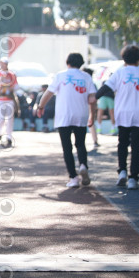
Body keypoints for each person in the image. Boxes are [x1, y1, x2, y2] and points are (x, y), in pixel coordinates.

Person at [96, 45, 139, 190]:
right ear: (138, 59)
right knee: (137, 147)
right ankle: (133, 178)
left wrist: (92, 97)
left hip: (123, 113)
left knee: (122, 143)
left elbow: (105, 88)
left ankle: (122, 171)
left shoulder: (119, 73)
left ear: (124, 59)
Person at [37, 53, 97, 188]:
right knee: (80, 144)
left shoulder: (60, 76)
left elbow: (48, 93)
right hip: (81, 115)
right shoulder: (86, 77)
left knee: (67, 147)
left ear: (67, 62)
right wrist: (92, 115)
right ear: (81, 64)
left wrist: (41, 106)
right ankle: (83, 165)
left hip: (63, 116)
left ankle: (73, 178)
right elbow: (92, 99)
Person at [0, 57, 18, 147]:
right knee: (1, 118)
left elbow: (16, 86)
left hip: (10, 99)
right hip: (1, 99)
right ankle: (1, 133)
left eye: (3, 63)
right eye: (1, 63)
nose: (2, 65)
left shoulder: (12, 74)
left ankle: (9, 137)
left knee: (10, 118)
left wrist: (11, 88)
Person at [82, 67, 99, 147]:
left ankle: (94, 140)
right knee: (91, 124)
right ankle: (95, 140)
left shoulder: (84, 82)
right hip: (89, 106)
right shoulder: (92, 84)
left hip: (85, 106)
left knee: (88, 124)